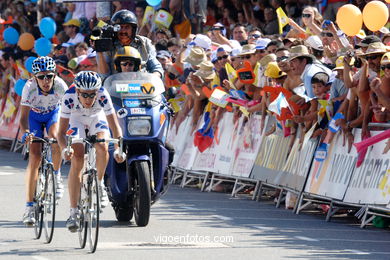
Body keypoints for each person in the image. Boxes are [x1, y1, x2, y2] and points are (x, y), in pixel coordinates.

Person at [57, 71, 124, 232]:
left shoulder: (102, 95)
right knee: (78, 159)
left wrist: (118, 149)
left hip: (96, 117)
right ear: (78, 91)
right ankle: (73, 212)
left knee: (102, 145)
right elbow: (60, 132)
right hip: (76, 119)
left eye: (91, 95)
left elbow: (115, 127)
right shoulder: (69, 97)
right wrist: (64, 149)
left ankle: (99, 183)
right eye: (84, 95)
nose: (88, 99)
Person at [20, 56, 68, 226]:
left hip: (53, 115)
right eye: (41, 77)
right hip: (33, 118)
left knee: (54, 138)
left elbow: (68, 112)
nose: (46, 80)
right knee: (34, 157)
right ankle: (29, 207)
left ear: (54, 75)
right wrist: (26, 132)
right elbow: (23, 117)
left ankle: (56, 175)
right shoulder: (29, 88)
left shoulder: (61, 86)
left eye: (49, 76)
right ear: (34, 77)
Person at [96, 9, 163, 78]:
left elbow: (156, 67)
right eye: (120, 27)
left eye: (127, 27)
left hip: (142, 85)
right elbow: (104, 75)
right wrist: (99, 52)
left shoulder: (145, 43)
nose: (123, 31)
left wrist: (154, 78)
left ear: (133, 29)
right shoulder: (107, 44)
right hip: (115, 86)